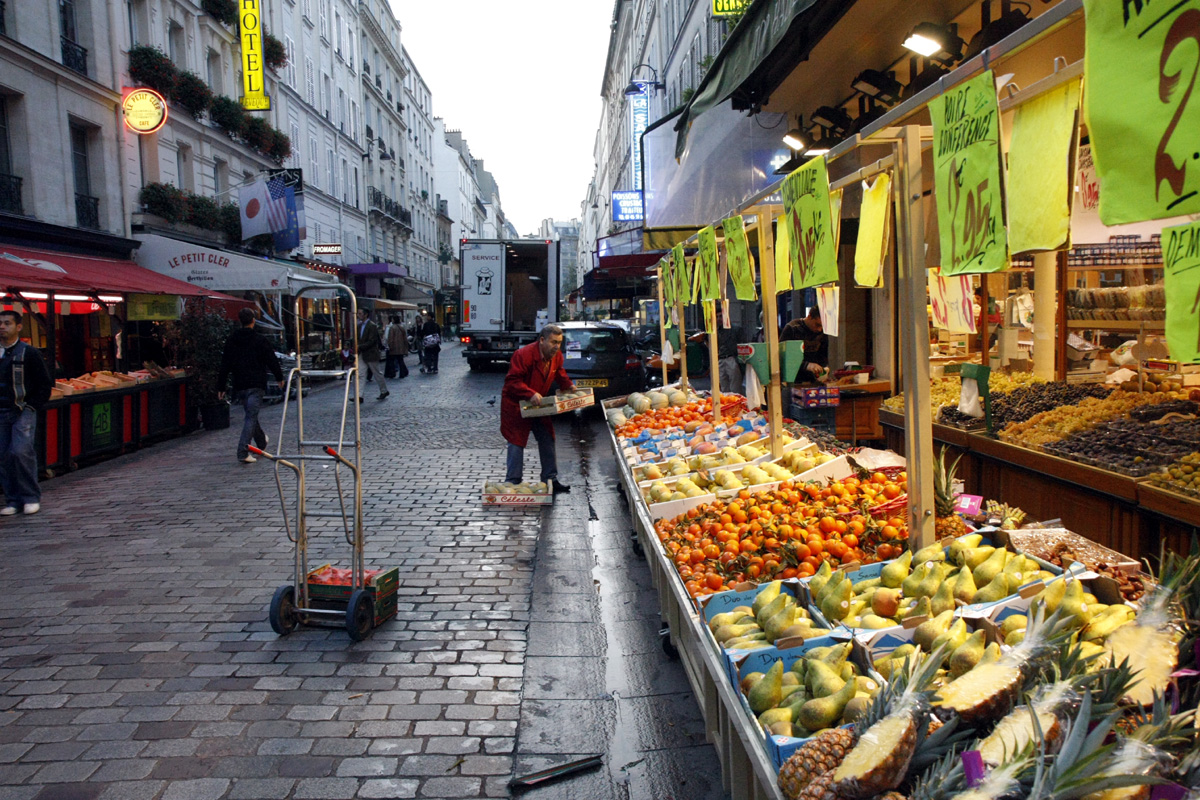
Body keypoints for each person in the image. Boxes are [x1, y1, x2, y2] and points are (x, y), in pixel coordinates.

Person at [500, 324, 574, 493]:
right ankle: (513, 482)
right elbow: (512, 382)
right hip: (516, 405)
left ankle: (550, 479)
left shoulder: (556, 356)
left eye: (559, 343)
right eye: (553, 342)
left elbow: (559, 372)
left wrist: (568, 385)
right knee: (516, 441)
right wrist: (529, 393)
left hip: (538, 404)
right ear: (542, 340)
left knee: (547, 437)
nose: (557, 346)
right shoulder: (523, 355)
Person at [0, 310, 52, 515]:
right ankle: (12, 500)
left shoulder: (28, 353)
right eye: (0, 323)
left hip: (22, 409)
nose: (2, 327)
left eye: (7, 323)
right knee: (3, 456)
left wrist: (32, 406)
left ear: (18, 327)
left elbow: (43, 384)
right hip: (1, 411)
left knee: (21, 451)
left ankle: (30, 496)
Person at [217, 307, 284, 464]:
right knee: (250, 416)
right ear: (253, 320)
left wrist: (221, 386)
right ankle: (243, 451)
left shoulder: (232, 339)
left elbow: (225, 364)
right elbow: (271, 359)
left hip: (240, 383)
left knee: (250, 414)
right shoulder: (259, 339)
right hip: (256, 383)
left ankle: (261, 442)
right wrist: (279, 377)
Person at [688, 304, 742, 394]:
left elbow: (741, 344)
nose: (719, 318)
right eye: (717, 317)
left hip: (731, 359)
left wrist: (737, 361)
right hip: (720, 359)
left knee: (735, 386)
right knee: (724, 386)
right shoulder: (715, 332)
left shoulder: (736, 329)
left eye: (721, 316)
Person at [780, 306, 829, 382]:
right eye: (817, 325)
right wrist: (806, 365)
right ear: (809, 317)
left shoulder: (822, 333)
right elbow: (783, 357)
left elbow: (823, 355)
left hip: (813, 379)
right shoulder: (792, 328)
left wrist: (824, 367)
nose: (820, 329)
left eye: (823, 326)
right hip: (793, 379)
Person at [355, 308, 389, 400]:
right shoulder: (359, 325)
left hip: (371, 353)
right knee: (361, 374)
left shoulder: (372, 326)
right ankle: (359, 395)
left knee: (377, 373)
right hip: (362, 353)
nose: (358, 315)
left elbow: (372, 340)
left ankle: (384, 391)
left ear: (365, 314)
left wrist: (360, 346)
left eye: (360, 313)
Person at [385, 314, 409, 379]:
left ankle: (392, 373)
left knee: (392, 361)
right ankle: (402, 373)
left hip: (394, 348)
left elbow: (390, 338)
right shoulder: (401, 327)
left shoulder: (392, 328)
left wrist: (390, 346)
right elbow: (405, 338)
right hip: (400, 347)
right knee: (400, 360)